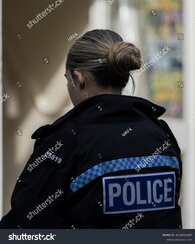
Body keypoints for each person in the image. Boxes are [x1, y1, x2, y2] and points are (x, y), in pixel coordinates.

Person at [0, 29, 182, 229]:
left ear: (79, 78)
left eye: (67, 79)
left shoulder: (65, 143)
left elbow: (23, 228)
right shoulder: (160, 134)